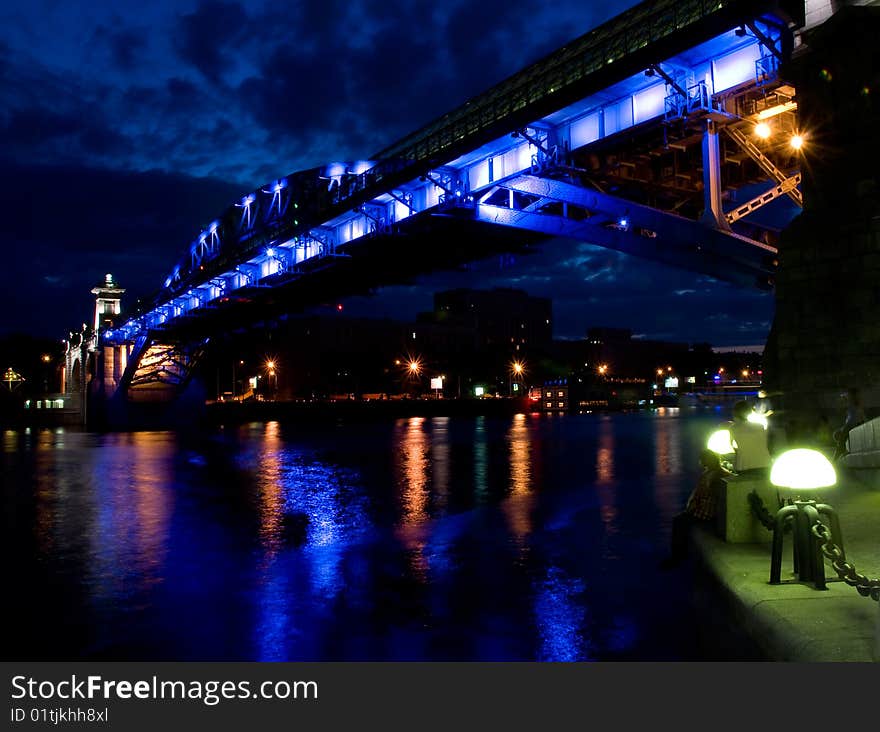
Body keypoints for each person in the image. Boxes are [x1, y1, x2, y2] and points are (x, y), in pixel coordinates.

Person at [662, 449, 730, 567]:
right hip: (703, 510)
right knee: (680, 521)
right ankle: (680, 555)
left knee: (679, 522)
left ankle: (677, 556)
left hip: (704, 513)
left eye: (703, 459)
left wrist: (691, 508)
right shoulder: (715, 473)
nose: (700, 462)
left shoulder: (713, 475)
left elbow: (703, 495)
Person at [730, 400, 771, 474]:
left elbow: (734, 447)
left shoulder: (733, 428)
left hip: (744, 465)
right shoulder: (760, 426)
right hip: (764, 463)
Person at [833, 387, 866, 460]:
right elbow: (842, 400)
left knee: (841, 435)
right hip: (849, 424)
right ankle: (843, 448)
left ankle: (840, 450)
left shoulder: (856, 403)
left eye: (849, 395)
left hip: (853, 424)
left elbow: (859, 414)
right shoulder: (850, 403)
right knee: (836, 434)